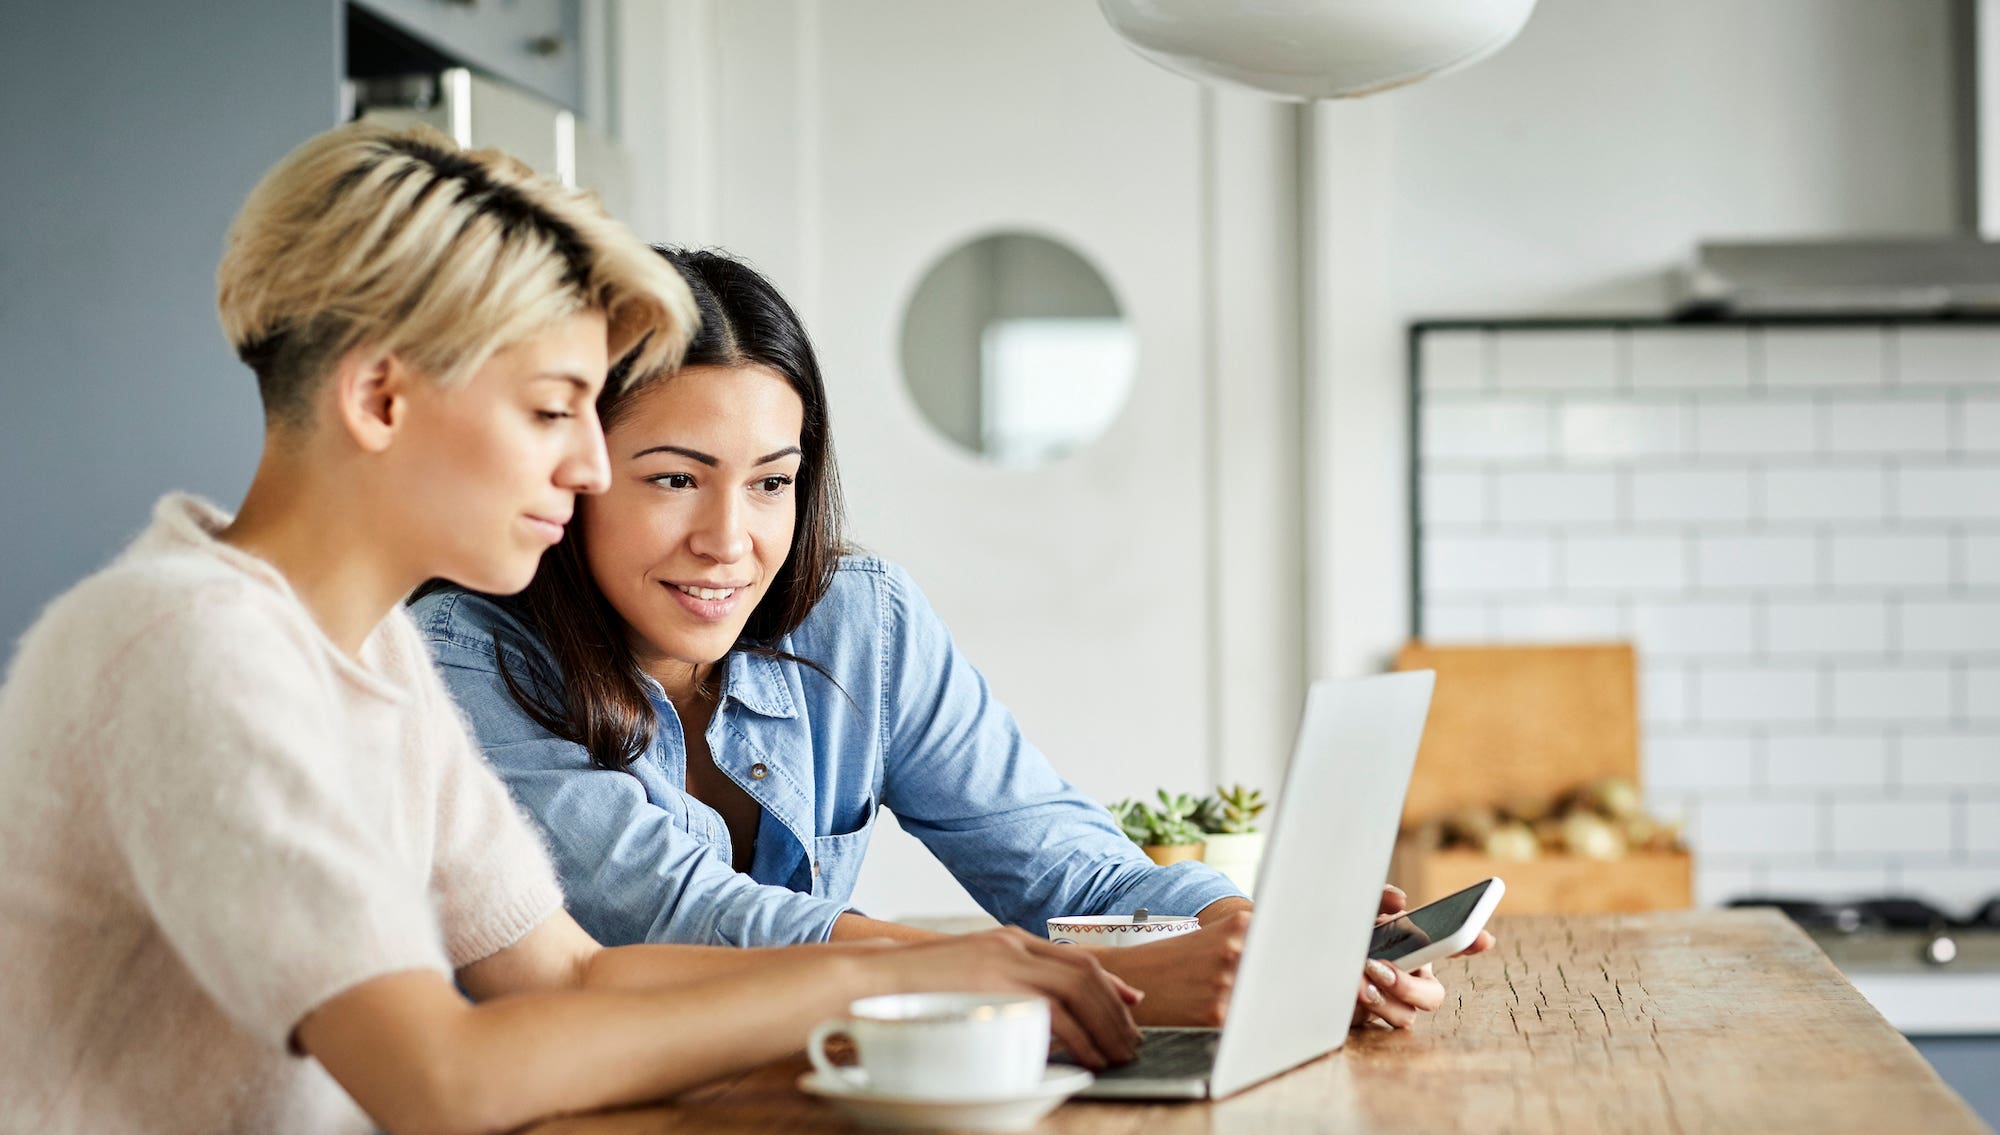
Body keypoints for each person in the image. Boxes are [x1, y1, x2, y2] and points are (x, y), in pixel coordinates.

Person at [0, 123, 1142, 1135]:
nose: (592, 466)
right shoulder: (192, 648)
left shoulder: (364, 648)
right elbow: (439, 1083)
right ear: (380, 398)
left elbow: (567, 977)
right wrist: (878, 981)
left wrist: (942, 976)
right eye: (553, 410)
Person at [413, 247, 1492, 1033]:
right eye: (673, 479)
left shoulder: (857, 620)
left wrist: (1255, 939)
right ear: (580, 472)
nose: (728, 541)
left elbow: (1053, 852)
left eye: (772, 482)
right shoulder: (464, 656)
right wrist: (1059, 979)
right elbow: (677, 918)